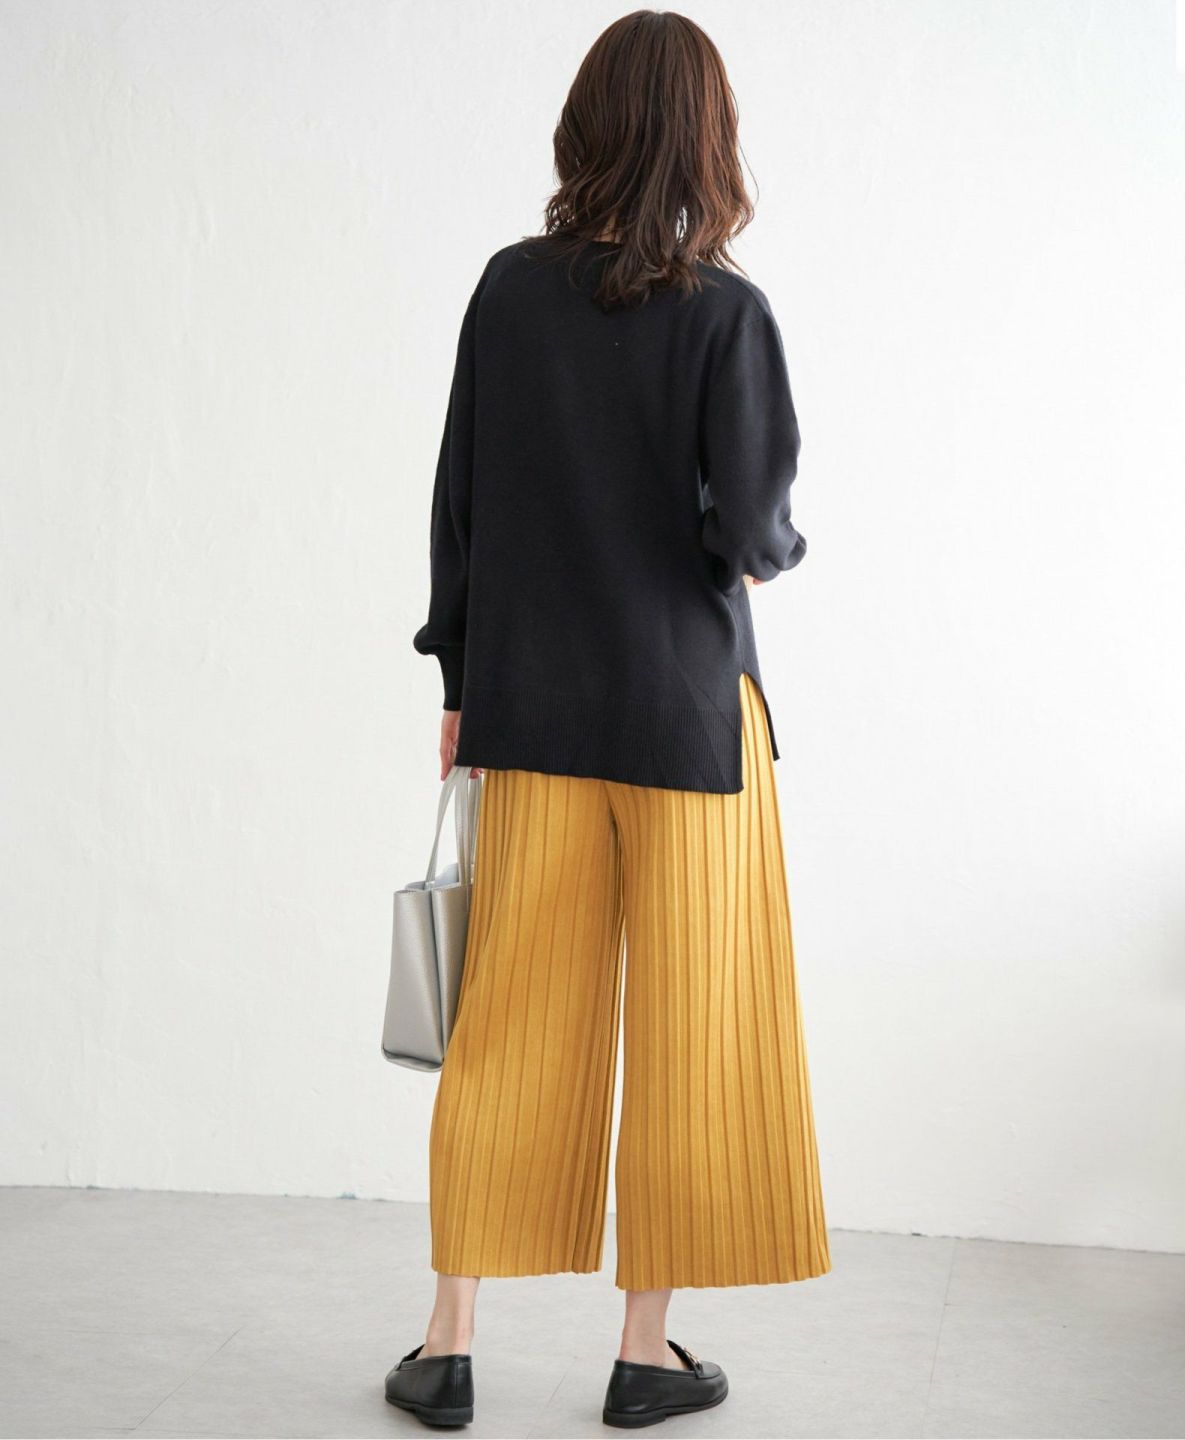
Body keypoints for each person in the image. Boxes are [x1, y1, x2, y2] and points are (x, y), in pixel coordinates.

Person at [387, 8, 831, 1429]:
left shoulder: (508, 295)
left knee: (505, 1023)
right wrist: (755, 540)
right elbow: (753, 534)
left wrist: (460, 686)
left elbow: (460, 504)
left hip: (529, 715)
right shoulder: (726, 313)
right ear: (709, 141)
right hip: (692, 725)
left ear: (583, 127)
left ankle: (448, 1346)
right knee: (694, 1033)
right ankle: (645, 1359)